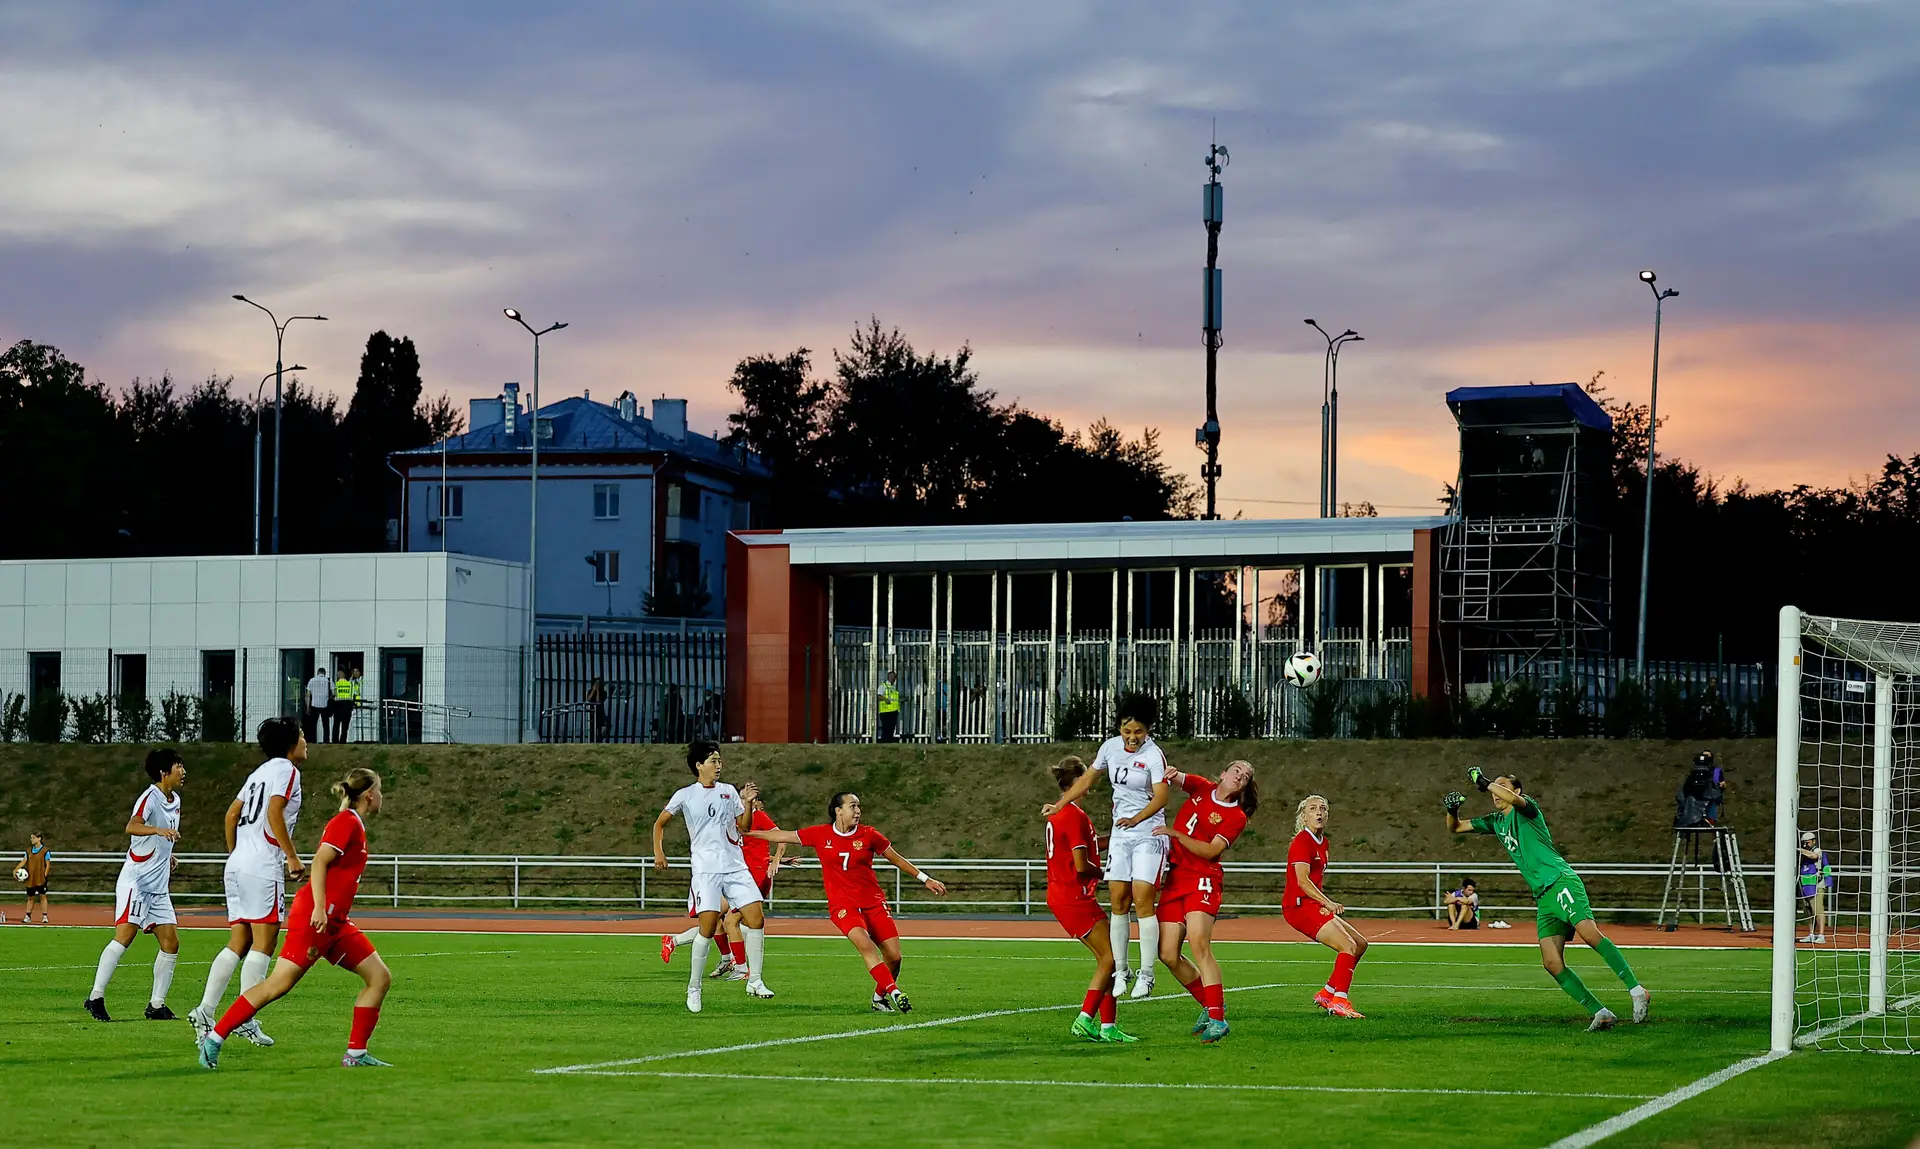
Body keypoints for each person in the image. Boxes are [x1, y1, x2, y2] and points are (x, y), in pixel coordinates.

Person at [197, 768, 393, 1070]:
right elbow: (320, 863)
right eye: (380, 790)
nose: (382, 796)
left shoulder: (353, 822)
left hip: (335, 922)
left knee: (379, 978)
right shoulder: (345, 822)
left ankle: (355, 1055)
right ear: (369, 795)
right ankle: (215, 1038)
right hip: (317, 918)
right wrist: (318, 908)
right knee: (277, 985)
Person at [1446, 769, 1651, 1031]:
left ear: (1516, 791)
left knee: (1589, 933)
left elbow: (1513, 799)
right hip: (1543, 896)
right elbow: (1456, 827)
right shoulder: (1496, 822)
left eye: (1503, 786)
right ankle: (1601, 1012)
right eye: (1494, 788)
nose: (1496, 792)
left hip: (1560, 881)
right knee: (1551, 962)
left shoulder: (1527, 808)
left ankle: (1637, 990)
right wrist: (1452, 811)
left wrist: (1485, 783)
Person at [750, 791, 948, 1012]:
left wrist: (925, 878)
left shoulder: (869, 835)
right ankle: (895, 992)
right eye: (852, 806)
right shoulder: (820, 834)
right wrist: (746, 832)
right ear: (838, 811)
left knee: (894, 957)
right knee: (865, 945)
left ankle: (879, 997)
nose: (858, 811)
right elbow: (781, 836)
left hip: (873, 902)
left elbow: (896, 858)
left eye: (858, 806)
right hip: (843, 906)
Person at [190, 717, 307, 1047]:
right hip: (262, 865)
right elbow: (274, 812)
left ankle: (206, 1010)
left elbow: (231, 815)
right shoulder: (286, 770)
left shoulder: (258, 773)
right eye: (301, 736)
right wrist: (292, 856)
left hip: (238, 863)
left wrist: (237, 855)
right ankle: (245, 1017)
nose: (305, 740)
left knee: (239, 941)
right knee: (264, 943)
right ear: (289, 743)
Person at [1042, 703, 1170, 1000]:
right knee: (1117, 900)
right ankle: (1122, 970)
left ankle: (1146, 974)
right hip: (1122, 836)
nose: (1132, 737)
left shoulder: (1153, 755)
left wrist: (1136, 818)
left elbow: (1161, 797)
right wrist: (1059, 804)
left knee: (1142, 899)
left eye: (1138, 731)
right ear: (1119, 729)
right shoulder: (1110, 748)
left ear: (1147, 730)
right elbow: (1088, 778)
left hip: (1147, 834)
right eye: (1127, 731)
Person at [651, 741, 775, 1012]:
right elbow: (660, 823)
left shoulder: (729, 792)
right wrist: (659, 853)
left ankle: (754, 980)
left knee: (756, 918)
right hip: (706, 870)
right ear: (698, 765)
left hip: (735, 866)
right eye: (713, 761)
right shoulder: (685, 795)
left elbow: (743, 827)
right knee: (707, 929)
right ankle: (694, 988)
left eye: (719, 760)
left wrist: (749, 804)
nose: (718, 766)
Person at [1151, 760, 1257, 1044]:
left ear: (1244, 787)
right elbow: (1174, 775)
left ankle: (1218, 1018)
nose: (1239, 777)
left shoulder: (1236, 817)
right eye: (1236, 771)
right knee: (1168, 954)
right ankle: (1208, 1006)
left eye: (1245, 777)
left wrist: (1175, 834)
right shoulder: (1201, 787)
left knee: (1199, 944)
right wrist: (1166, 770)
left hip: (1202, 879)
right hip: (1175, 879)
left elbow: (1211, 851)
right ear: (1223, 773)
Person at [84, 748, 187, 1022]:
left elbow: (154, 837)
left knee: (171, 943)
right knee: (125, 936)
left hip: (158, 885)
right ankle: (95, 997)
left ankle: (156, 1005)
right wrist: (158, 831)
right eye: (179, 766)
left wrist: (167, 853)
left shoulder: (175, 799)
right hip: (138, 882)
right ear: (164, 772)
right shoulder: (149, 797)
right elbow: (132, 826)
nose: (183, 771)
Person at [1046, 757, 1135, 1043]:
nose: (1089, 785)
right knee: (1111, 958)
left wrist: (1121, 836)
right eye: (1085, 779)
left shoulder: (1066, 813)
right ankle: (1085, 1018)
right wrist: (1111, 873)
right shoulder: (1073, 815)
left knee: (1109, 959)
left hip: (1069, 895)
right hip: (1072, 896)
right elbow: (1082, 864)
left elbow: (1090, 846)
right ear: (1075, 783)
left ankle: (1108, 1026)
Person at [1285, 794, 1369, 1018]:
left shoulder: (1323, 842)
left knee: (1360, 944)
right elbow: (1302, 881)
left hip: (1312, 903)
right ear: (1304, 816)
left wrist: (1322, 903)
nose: (1319, 812)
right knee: (1347, 946)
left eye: (1323, 808)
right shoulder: (1302, 841)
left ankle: (1327, 993)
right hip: (1299, 906)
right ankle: (1339, 1000)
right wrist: (1327, 902)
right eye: (1312, 809)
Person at [1798, 830, 1834, 944]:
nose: (1806, 845)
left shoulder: (1817, 850)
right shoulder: (1803, 854)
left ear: (1813, 841)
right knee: (1808, 911)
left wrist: (1800, 850)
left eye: (1807, 843)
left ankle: (1821, 935)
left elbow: (1814, 856)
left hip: (1817, 885)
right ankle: (1811, 934)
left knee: (1818, 910)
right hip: (1806, 884)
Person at [17, 831, 51, 924]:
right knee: (30, 897)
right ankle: (28, 916)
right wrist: (16, 869)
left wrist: (45, 875)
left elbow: (48, 864)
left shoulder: (45, 851)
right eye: (31, 838)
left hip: (40, 878)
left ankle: (44, 916)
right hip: (31, 878)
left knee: (42, 896)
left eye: (33, 838)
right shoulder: (29, 851)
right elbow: (24, 861)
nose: (31, 840)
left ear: (39, 838)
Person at [305, 667, 332, 745]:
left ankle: (313, 740)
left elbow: (308, 695)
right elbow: (334, 693)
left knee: (313, 724)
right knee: (326, 724)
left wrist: (307, 707)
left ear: (317, 672)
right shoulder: (329, 681)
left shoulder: (312, 680)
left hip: (314, 705)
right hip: (325, 705)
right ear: (324, 673)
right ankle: (326, 741)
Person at [876, 671, 901, 743]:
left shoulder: (893, 688)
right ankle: (885, 742)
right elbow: (879, 695)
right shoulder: (883, 685)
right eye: (891, 676)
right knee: (886, 728)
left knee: (891, 728)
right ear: (888, 677)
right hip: (885, 711)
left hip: (893, 711)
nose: (893, 678)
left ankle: (889, 742)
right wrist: (885, 700)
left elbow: (894, 699)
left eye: (894, 677)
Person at [586, 676, 610, 743]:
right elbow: (588, 699)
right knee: (592, 728)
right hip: (592, 712)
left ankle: (599, 740)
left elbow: (598, 701)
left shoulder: (604, 693)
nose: (597, 685)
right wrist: (593, 690)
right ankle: (591, 741)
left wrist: (598, 691)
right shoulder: (590, 691)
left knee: (602, 727)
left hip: (600, 713)